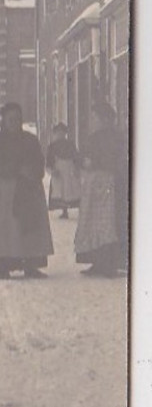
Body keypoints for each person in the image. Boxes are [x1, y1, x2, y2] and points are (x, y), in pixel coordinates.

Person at [0, 102, 54, 279]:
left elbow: (39, 160)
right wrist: (18, 169)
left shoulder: (30, 139)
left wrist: (33, 172)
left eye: (17, 118)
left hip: (28, 186)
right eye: (10, 119)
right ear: (4, 121)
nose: (14, 122)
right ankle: (4, 265)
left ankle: (30, 265)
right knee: (7, 228)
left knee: (29, 227)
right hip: (6, 189)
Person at [74, 101, 129, 277]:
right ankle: (97, 262)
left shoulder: (116, 137)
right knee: (93, 222)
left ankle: (110, 264)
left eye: (95, 117)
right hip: (94, 184)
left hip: (110, 184)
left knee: (109, 223)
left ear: (105, 119)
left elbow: (116, 160)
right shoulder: (94, 137)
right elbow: (84, 155)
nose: (93, 120)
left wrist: (94, 162)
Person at [46, 122, 81, 219]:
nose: (60, 135)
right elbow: (49, 160)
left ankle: (78, 208)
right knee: (60, 190)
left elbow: (76, 156)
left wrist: (76, 167)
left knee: (72, 189)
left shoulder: (70, 144)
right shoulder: (52, 146)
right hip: (59, 170)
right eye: (58, 132)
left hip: (70, 169)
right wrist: (52, 170)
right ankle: (64, 210)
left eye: (62, 133)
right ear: (55, 133)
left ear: (65, 134)